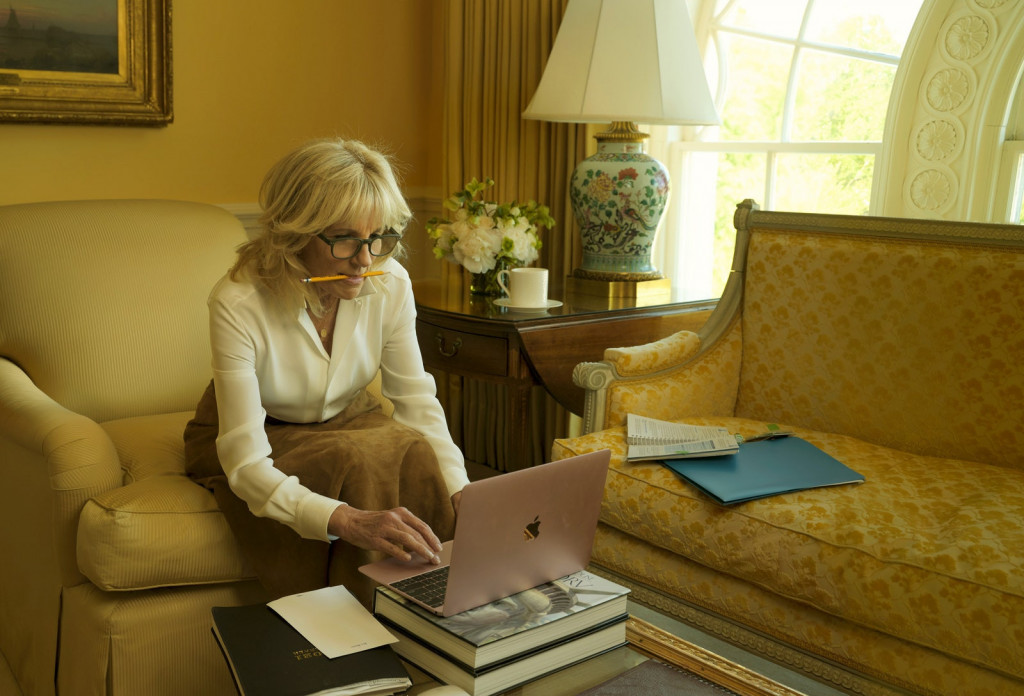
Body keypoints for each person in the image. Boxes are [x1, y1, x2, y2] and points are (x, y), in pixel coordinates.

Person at [184, 138, 468, 605]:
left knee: (414, 449)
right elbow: (246, 463)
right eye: (345, 239)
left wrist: (460, 491)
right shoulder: (238, 302)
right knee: (351, 460)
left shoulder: (391, 282)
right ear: (294, 234)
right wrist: (348, 521)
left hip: (347, 417)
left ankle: (444, 611)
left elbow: (416, 401)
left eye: (378, 238)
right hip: (263, 428)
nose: (365, 260)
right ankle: (356, 626)